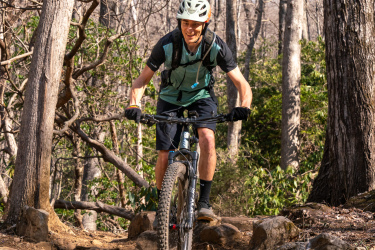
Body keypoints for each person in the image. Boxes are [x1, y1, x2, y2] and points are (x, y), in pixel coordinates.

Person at [125, 0, 252, 222]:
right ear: (179, 22)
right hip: (170, 97)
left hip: (201, 96)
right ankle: (164, 206)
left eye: (195, 24)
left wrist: (244, 106)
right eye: (185, 23)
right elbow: (142, 80)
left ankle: (204, 203)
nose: (190, 29)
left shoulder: (216, 46)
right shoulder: (167, 44)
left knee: (207, 138)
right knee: (165, 154)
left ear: (205, 24)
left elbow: (242, 84)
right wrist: (134, 104)